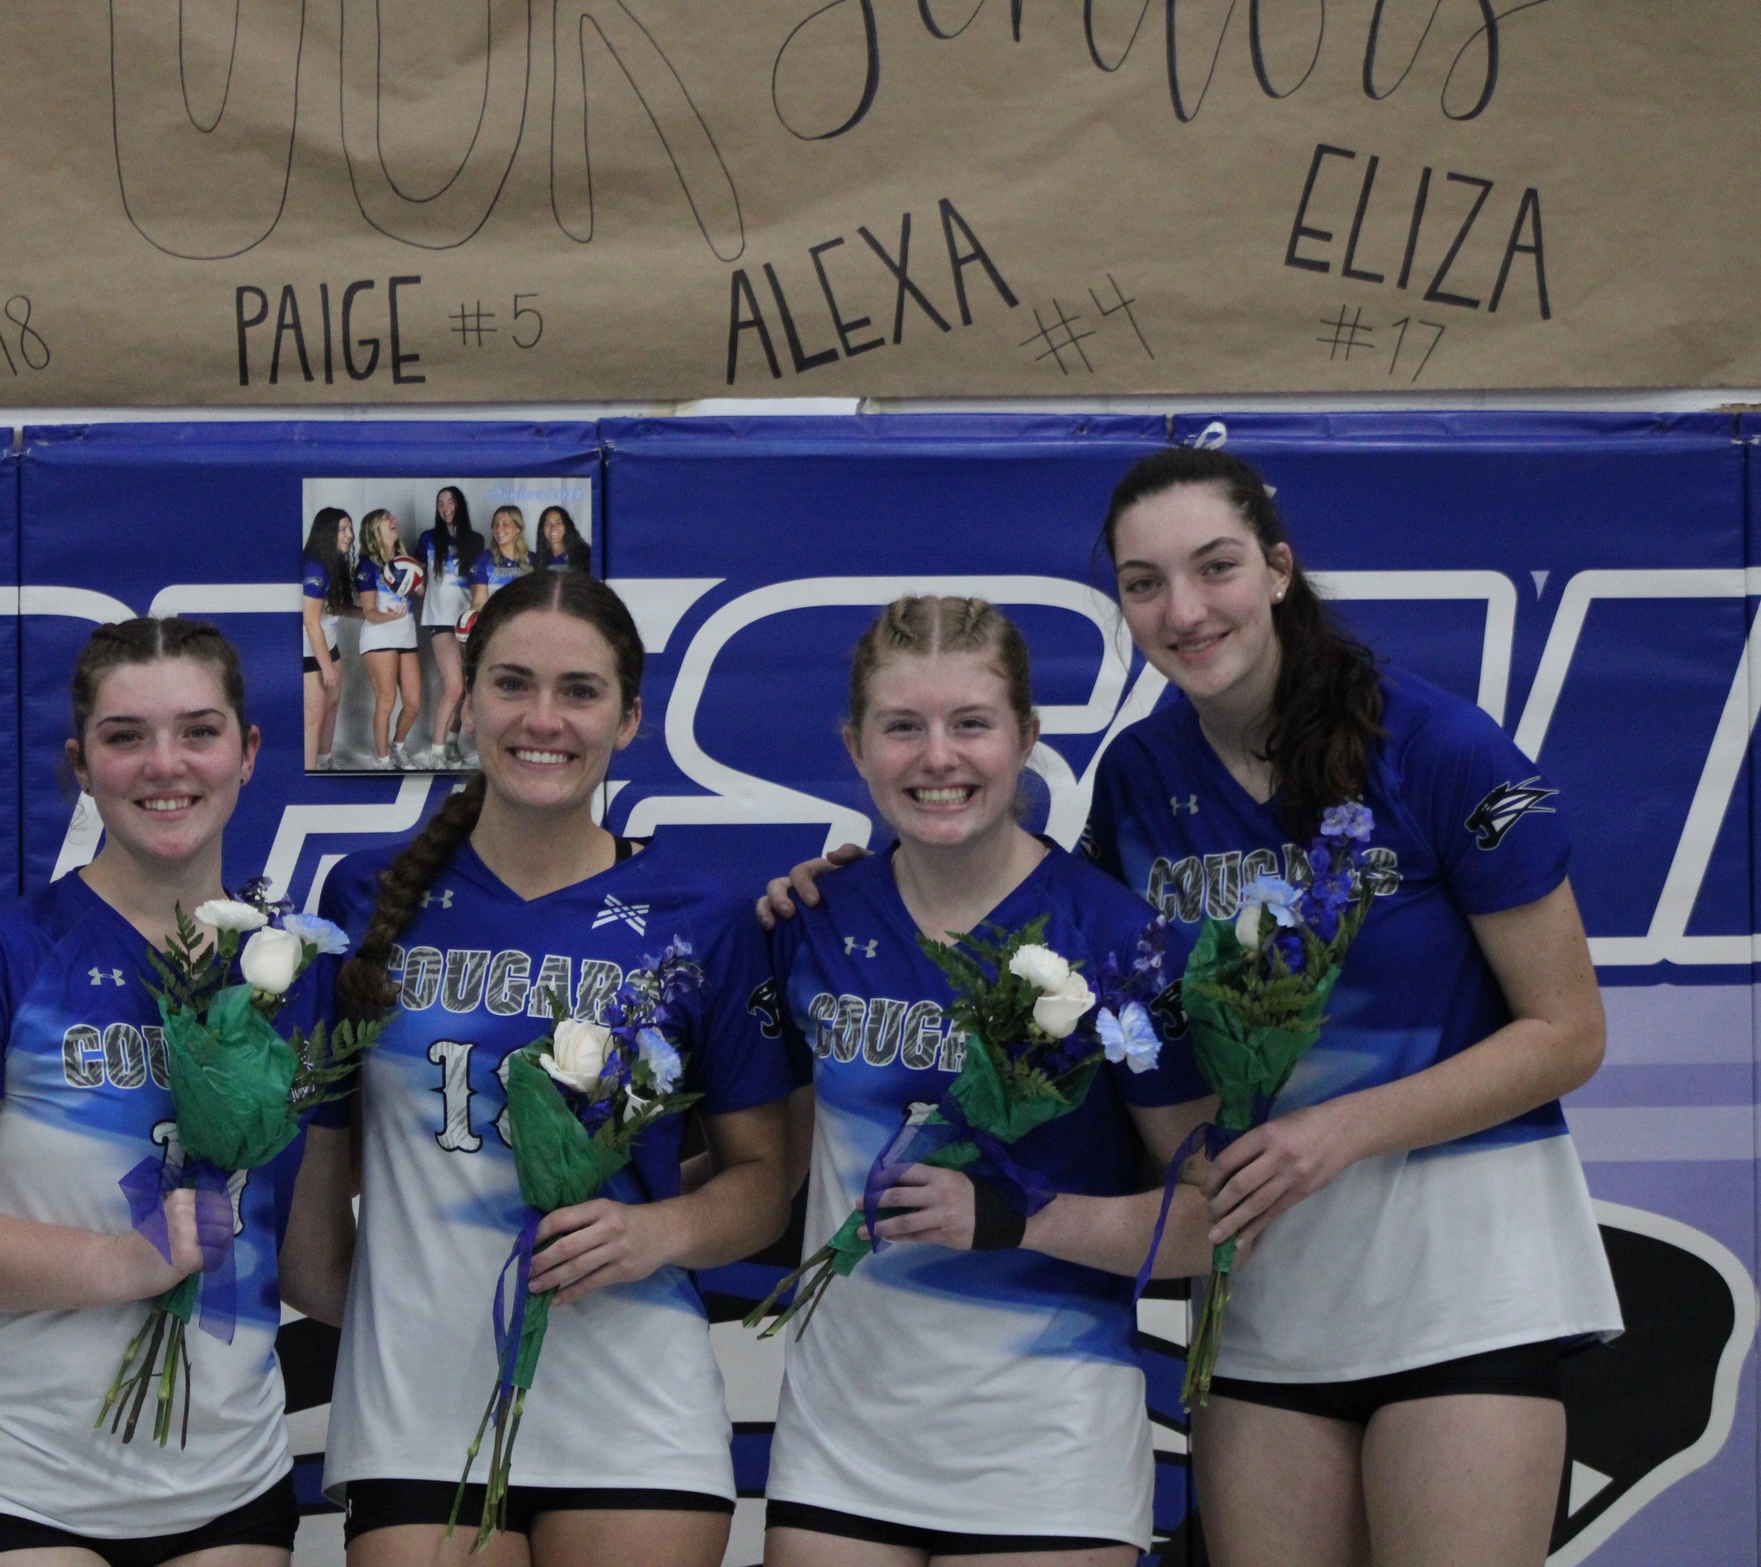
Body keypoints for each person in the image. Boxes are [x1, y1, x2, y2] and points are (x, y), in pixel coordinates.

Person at [767, 449, 1621, 1567]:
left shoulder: (1434, 747)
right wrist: (839, 886)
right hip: (1259, 1306)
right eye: (1141, 582)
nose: (1182, 609)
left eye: (1212, 567)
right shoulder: (1135, 777)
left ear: (1275, 568)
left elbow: (1567, 1033)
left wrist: (1334, 1130)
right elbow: (1038, 940)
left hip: (1462, 1288)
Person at [300, 569, 797, 1567]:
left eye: (579, 691)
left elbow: (762, 1182)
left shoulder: (698, 916)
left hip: (633, 1409)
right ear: (464, 698)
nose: (543, 718)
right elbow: (313, 1232)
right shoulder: (360, 897)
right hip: (418, 1417)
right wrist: (417, 1312)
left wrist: (656, 1227)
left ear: (628, 719)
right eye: (512, 683)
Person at [0, 617, 351, 1567]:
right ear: (81, 765)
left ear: (247, 753)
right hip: (0, 1474)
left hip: (228, 1482)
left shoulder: (295, 979)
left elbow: (312, 1264)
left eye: (198, 731)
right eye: (127, 737)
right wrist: (118, 1263)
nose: (166, 764)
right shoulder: (4, 958)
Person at [761, 596, 1217, 1567]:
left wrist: (1020, 1218)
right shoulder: (807, 921)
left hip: (1045, 1460)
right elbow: (756, 1162)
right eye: (901, 726)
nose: (937, 758)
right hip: (836, 1457)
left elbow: (1215, 1218)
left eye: (970, 722)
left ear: (1025, 738)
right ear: (854, 746)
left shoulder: (1119, 942)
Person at [417, 486, 484, 769]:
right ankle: (436, 750)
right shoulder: (428, 538)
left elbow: (480, 583)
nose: (444, 507)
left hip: (468, 620)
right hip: (440, 620)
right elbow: (419, 582)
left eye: (450, 502)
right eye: (440, 502)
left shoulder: (476, 540)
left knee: (468, 686)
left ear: (459, 505)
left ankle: (453, 742)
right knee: (453, 687)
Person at [355, 507, 425, 770]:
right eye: (387, 519)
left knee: (413, 702)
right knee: (386, 701)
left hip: (406, 637)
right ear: (375, 529)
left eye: (393, 518)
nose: (394, 521)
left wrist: (418, 584)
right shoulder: (366, 566)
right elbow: (370, 613)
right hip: (379, 637)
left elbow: (419, 591)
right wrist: (391, 617)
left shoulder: (403, 559)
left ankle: (398, 747)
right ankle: (383, 760)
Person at [302, 506, 358, 770]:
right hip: (311, 654)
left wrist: (370, 614)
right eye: (342, 530)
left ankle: (325, 762)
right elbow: (311, 621)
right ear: (327, 533)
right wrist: (325, 666)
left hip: (331, 647)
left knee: (331, 708)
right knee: (312, 719)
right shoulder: (313, 567)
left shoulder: (332, 563)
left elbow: (334, 608)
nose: (349, 535)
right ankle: (310, 773)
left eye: (350, 528)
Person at [469, 505, 535, 605]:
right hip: (495, 619)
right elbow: (478, 603)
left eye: (505, 524)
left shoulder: (534, 560)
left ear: (518, 528)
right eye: (495, 524)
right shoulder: (483, 560)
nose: (499, 529)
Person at [531, 506, 590, 574]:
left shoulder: (584, 556)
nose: (553, 528)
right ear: (542, 530)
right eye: (547, 524)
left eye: (558, 523)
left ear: (567, 526)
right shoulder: (537, 561)